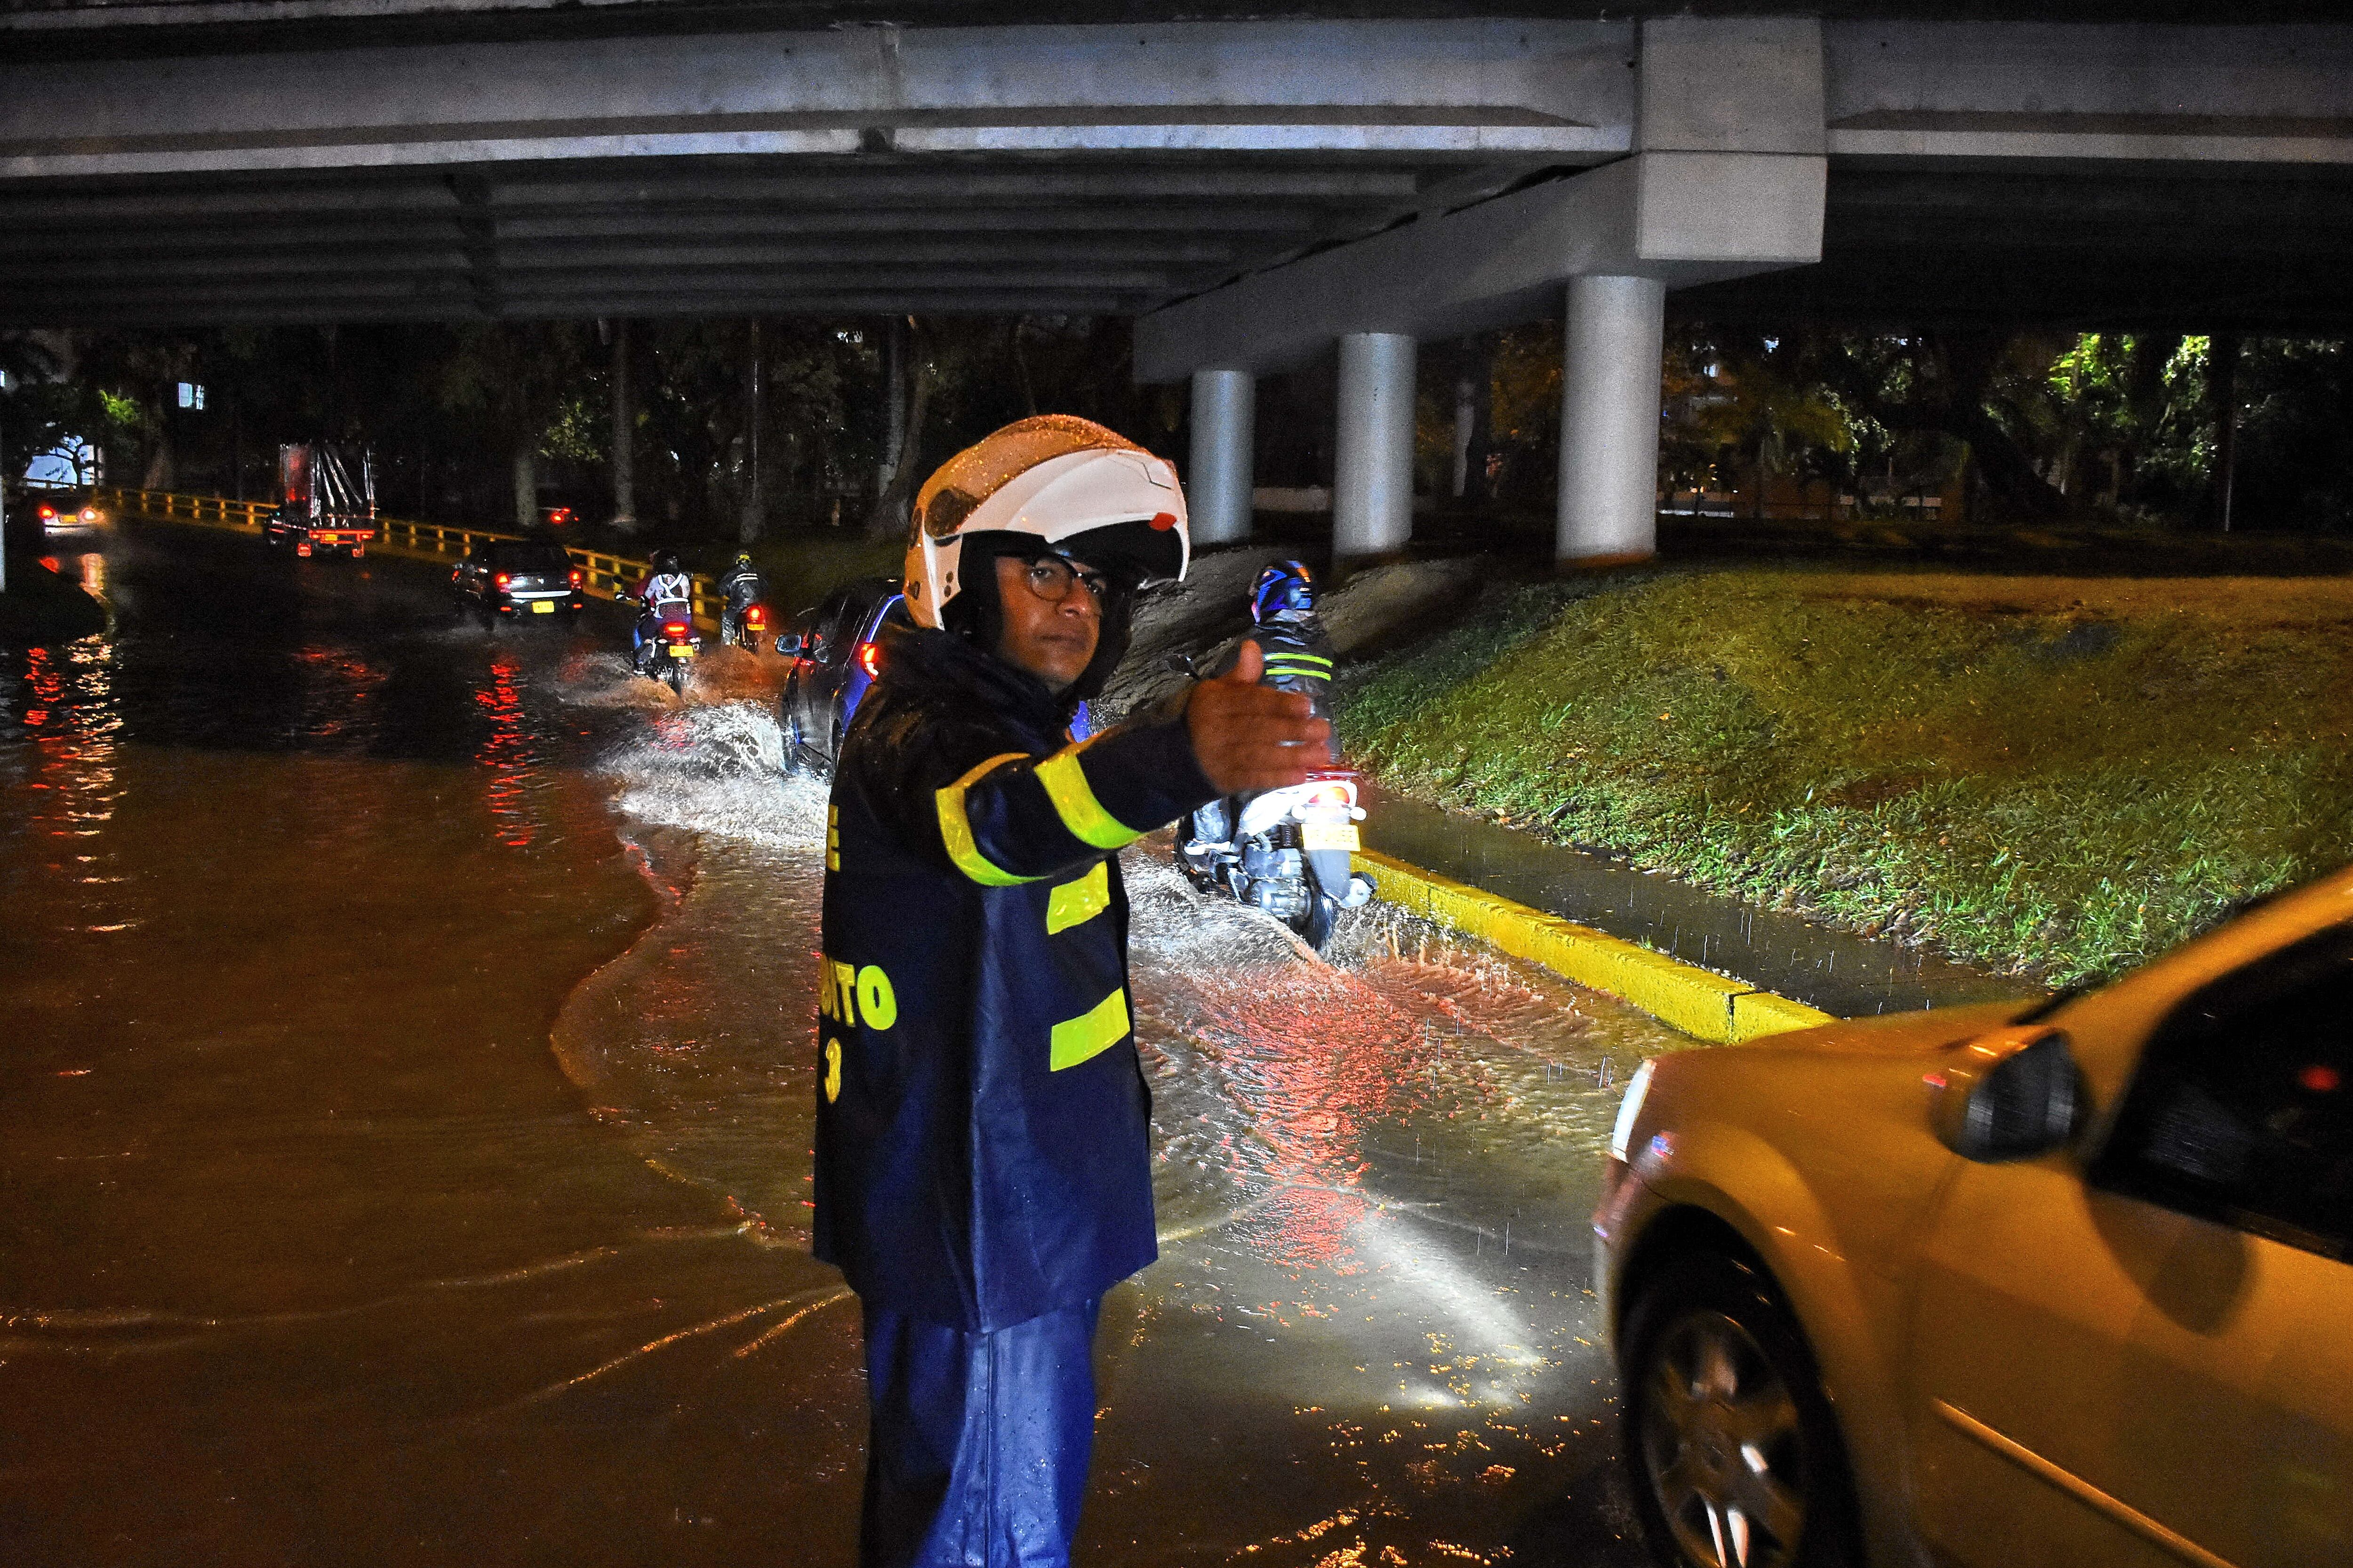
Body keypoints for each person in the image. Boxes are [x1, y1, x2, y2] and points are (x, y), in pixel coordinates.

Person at [812, 416, 1327, 1568]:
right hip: (989, 1227)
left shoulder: (999, 726)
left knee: (955, 1513)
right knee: (992, 1534)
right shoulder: (928, 730)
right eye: (1043, 569)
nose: (1076, 603)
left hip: (1002, 1215)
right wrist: (1173, 762)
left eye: (1094, 583)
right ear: (961, 576)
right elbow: (995, 826)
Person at [1186, 559, 1338, 851]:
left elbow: (1218, 688)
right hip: (1324, 749)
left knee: (1202, 763)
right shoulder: (1324, 647)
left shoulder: (1255, 647)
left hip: (1270, 750)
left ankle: (1209, 842)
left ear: (1270, 597)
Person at [632, 549, 693, 672]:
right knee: (691, 632)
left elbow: (647, 595)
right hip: (684, 616)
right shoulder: (684, 578)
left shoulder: (655, 579)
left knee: (644, 630)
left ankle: (648, 648)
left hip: (662, 616)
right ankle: (696, 645)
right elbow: (686, 594)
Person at [719, 551, 763, 646]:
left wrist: (723, 594)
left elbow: (722, 588)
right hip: (756, 605)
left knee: (727, 617)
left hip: (740, 604)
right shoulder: (757, 571)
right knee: (764, 619)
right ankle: (767, 643)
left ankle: (728, 644)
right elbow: (766, 587)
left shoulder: (733, 573)